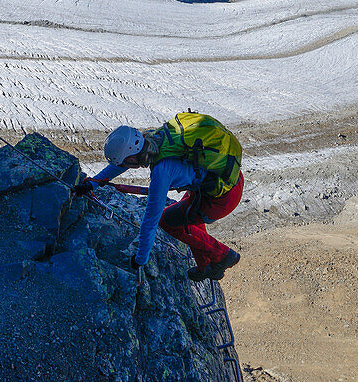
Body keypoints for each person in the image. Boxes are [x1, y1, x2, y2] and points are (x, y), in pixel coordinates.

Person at [73, 113, 244, 282]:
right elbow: (119, 165)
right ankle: (205, 266)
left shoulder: (162, 171)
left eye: (127, 163)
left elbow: (151, 220)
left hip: (221, 200)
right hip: (229, 179)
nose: (127, 167)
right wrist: (92, 183)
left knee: (167, 221)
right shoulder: (152, 137)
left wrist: (140, 259)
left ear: (133, 158)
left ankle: (222, 256)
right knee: (187, 214)